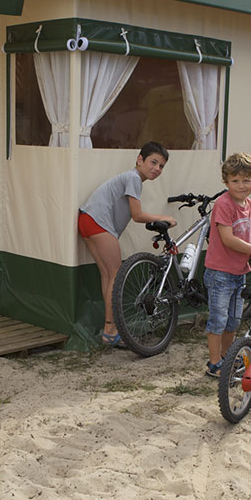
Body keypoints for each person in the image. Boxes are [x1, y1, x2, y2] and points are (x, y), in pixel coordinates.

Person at [79, 141, 177, 346]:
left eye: (161, 166)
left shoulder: (131, 178)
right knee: (116, 276)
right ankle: (111, 330)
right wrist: (164, 217)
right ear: (139, 160)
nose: (157, 169)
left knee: (108, 276)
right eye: (153, 162)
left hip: (87, 220)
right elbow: (138, 215)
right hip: (98, 222)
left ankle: (109, 331)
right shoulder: (133, 177)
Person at [204, 152, 251, 377]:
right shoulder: (223, 204)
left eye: (246, 180)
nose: (241, 186)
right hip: (219, 272)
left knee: (233, 320)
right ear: (226, 182)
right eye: (235, 181)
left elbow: (249, 234)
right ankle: (214, 363)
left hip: (239, 272)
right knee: (218, 319)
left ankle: (226, 358)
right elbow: (228, 239)